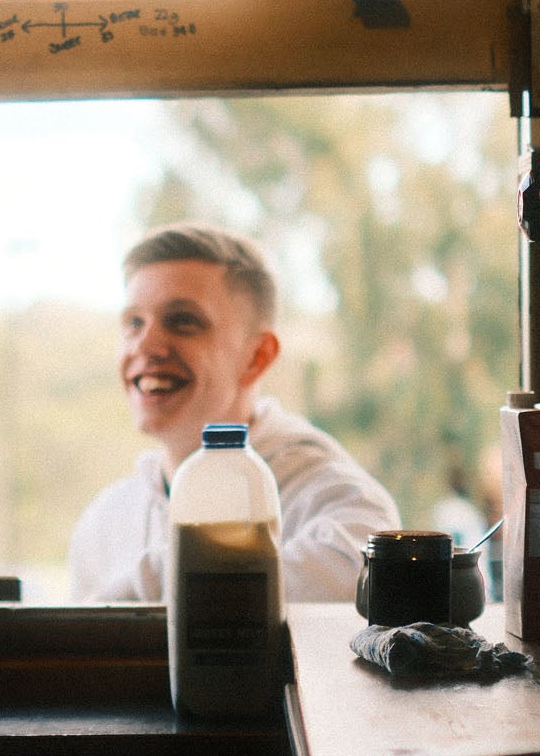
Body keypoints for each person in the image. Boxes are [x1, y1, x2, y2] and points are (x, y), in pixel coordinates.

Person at [69, 222, 400, 604]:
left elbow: (359, 582)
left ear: (257, 357)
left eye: (183, 321)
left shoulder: (340, 503)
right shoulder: (103, 522)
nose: (147, 344)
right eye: (134, 323)